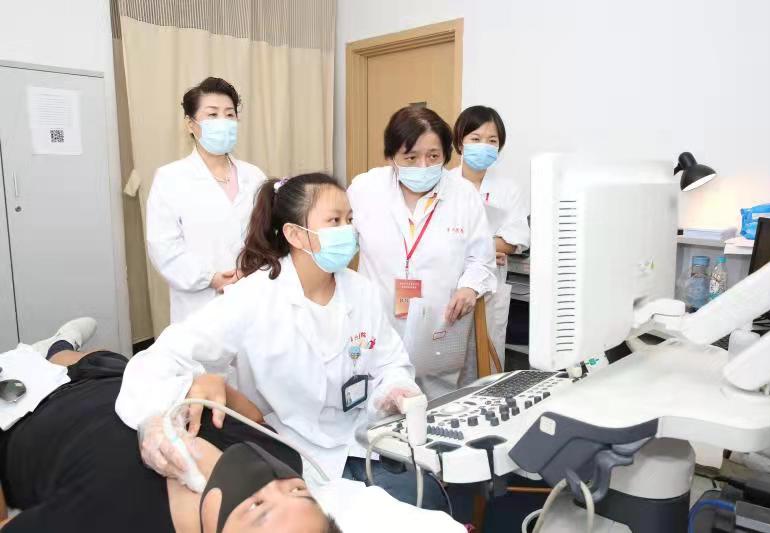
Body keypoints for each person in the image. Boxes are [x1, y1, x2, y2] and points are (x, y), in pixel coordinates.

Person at [117, 174, 447, 510]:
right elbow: (162, 357)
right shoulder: (255, 296)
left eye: (350, 219)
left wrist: (394, 389)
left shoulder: (360, 291)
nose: (348, 231)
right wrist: (154, 420)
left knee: (426, 497)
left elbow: (390, 362)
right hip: (289, 453)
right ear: (294, 234)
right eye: (334, 221)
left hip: (359, 439)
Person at [0, 332, 338, 533]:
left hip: (23, 410)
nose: (271, 481)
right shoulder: (280, 456)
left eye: (259, 508)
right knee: (97, 358)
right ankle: (58, 346)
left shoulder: (111, 520)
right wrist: (212, 385)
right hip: (120, 380)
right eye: (297, 491)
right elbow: (253, 417)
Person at [347, 106, 497, 398]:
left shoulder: (463, 194)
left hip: (440, 323)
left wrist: (470, 287)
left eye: (433, 156)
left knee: (438, 403)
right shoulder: (365, 189)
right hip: (378, 320)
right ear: (391, 156)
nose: (423, 166)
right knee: (380, 400)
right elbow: (342, 238)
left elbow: (481, 258)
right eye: (411, 157)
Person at [147, 77, 267, 324]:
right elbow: (163, 246)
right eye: (212, 115)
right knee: (206, 348)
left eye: (229, 114)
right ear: (191, 124)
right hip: (199, 304)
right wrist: (211, 278)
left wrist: (252, 271)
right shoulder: (170, 178)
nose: (223, 121)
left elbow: (267, 234)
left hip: (253, 293)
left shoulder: (254, 176)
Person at [449, 106, 530, 365]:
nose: (484, 146)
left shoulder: (508, 189)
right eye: (475, 138)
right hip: (448, 285)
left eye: (492, 141)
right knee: (446, 361)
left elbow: (516, 237)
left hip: (491, 288)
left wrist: (476, 248)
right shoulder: (443, 185)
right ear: (459, 143)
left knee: (488, 363)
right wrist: (485, 249)